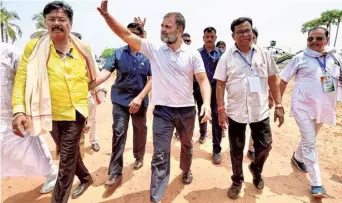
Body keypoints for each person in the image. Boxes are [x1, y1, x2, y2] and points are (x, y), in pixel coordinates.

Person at [97, 2, 211, 203]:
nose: (163, 29)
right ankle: (156, 198)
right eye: (162, 26)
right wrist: (107, 16)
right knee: (160, 155)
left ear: (179, 29)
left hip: (186, 112)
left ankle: (186, 169)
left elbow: (202, 80)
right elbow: (126, 35)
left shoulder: (192, 54)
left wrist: (207, 103)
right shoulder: (154, 49)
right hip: (162, 113)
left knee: (187, 146)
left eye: (167, 26)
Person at [12, 1, 105, 202]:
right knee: (67, 151)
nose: (56, 23)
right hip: (50, 112)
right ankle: (86, 178)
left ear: (70, 23)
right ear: (45, 22)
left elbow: (91, 78)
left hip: (77, 113)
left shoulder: (82, 49)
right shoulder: (34, 47)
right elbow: (22, 79)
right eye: (51, 19)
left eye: (61, 19)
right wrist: (19, 110)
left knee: (65, 162)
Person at [214, 17, 284, 199]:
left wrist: (279, 104)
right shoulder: (226, 57)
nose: (245, 34)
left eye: (248, 30)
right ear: (233, 36)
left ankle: (256, 169)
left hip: (259, 110)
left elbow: (273, 79)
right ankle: (237, 180)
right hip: (236, 112)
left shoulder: (263, 54)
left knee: (266, 146)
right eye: (240, 32)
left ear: (252, 32)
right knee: (236, 151)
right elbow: (220, 84)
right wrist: (221, 110)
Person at [279, 27, 342, 198]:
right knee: (310, 143)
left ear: (326, 40)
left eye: (319, 38)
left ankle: (298, 158)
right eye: (310, 38)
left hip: (323, 107)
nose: (314, 41)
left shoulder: (335, 58)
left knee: (311, 136)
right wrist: (278, 103)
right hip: (302, 107)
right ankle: (316, 183)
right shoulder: (300, 58)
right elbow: (283, 79)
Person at [95, 22, 152, 188]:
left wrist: (140, 98)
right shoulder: (118, 53)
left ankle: (139, 156)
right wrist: (90, 84)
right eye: (129, 33)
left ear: (141, 36)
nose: (131, 36)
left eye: (136, 33)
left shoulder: (148, 55)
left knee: (140, 129)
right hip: (120, 100)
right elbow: (105, 73)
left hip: (140, 101)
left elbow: (152, 79)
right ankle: (115, 172)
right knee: (119, 132)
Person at [1, 42, 58, 194]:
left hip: (13, 112)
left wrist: (25, 108)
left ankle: (52, 174)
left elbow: (27, 76)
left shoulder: (7, 51)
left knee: (28, 146)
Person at [195, 27, 223, 164]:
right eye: (207, 37)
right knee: (202, 113)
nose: (210, 39)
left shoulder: (222, 54)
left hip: (216, 88)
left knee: (217, 117)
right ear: (203, 38)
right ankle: (202, 133)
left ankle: (216, 150)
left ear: (215, 38)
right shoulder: (197, 54)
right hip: (199, 89)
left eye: (212, 36)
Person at [246, 27, 275, 160]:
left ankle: (252, 148)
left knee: (257, 125)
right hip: (241, 100)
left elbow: (271, 78)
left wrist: (270, 97)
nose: (250, 39)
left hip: (258, 98)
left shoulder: (264, 55)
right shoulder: (234, 55)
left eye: (253, 37)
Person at [71, 31, 101, 152]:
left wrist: (98, 88)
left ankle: (93, 140)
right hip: (67, 94)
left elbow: (95, 72)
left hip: (85, 91)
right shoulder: (63, 55)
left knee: (92, 116)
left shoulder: (86, 55)